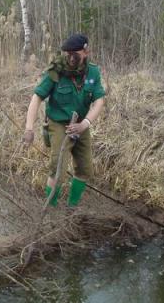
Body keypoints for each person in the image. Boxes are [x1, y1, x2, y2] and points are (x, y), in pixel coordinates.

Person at [23, 34, 105, 207]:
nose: (69, 57)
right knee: (57, 170)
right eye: (66, 53)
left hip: (81, 124)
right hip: (58, 123)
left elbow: (99, 101)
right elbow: (36, 98)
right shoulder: (55, 71)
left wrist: (85, 124)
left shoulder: (93, 72)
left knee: (85, 169)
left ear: (85, 51)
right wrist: (29, 129)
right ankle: (50, 210)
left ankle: (71, 208)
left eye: (73, 54)